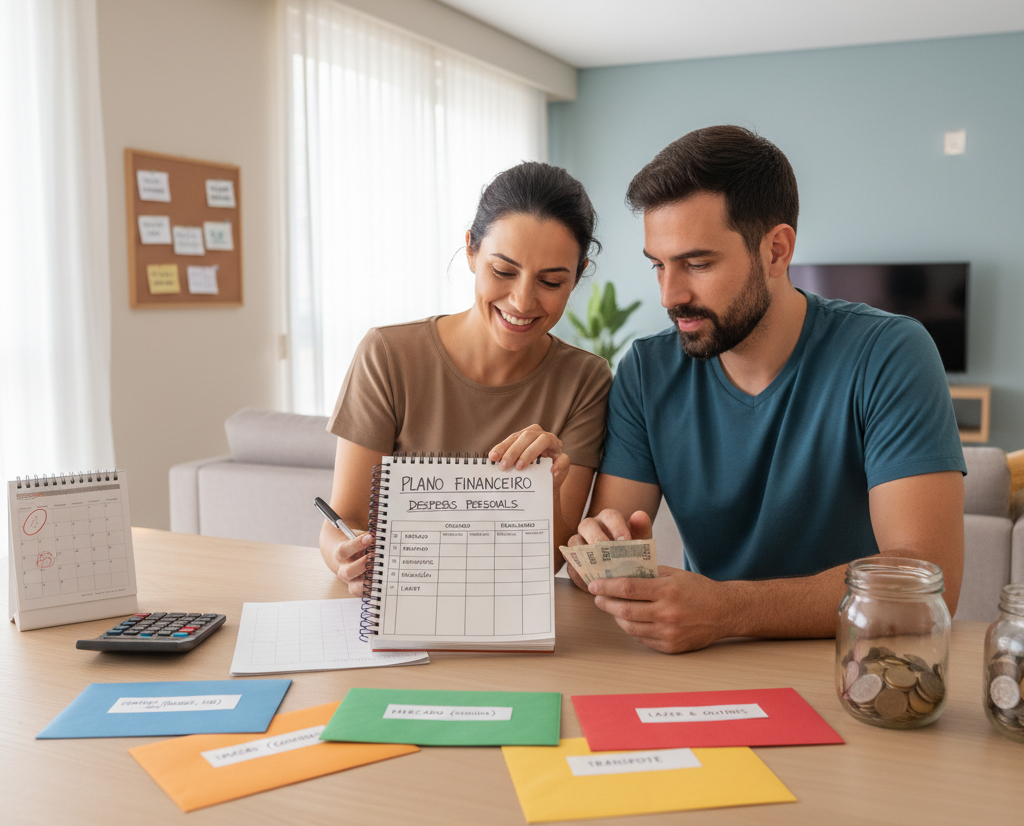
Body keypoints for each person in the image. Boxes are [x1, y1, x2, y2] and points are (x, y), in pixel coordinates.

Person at [569, 125, 966, 653]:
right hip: (708, 665)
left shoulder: (889, 353)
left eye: (697, 263)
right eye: (658, 265)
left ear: (776, 251)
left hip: (859, 663)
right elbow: (592, 561)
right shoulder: (647, 371)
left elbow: (926, 580)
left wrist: (726, 609)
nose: (670, 295)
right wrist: (607, 558)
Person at [321, 161, 612, 594]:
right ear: (472, 251)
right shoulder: (387, 354)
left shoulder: (585, 379)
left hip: (506, 613)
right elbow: (343, 523)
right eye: (503, 271)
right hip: (404, 607)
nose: (522, 300)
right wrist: (343, 557)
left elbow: (550, 560)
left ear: (578, 275)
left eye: (551, 281)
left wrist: (545, 491)